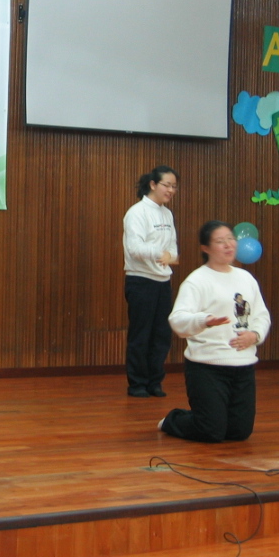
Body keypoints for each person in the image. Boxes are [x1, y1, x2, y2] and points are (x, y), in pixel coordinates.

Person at [158, 221, 270, 443]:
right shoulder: (197, 280)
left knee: (239, 432)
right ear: (206, 248)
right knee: (211, 431)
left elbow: (261, 315)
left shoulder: (246, 278)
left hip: (243, 366)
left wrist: (255, 335)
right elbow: (177, 320)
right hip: (207, 366)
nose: (228, 245)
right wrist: (204, 320)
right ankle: (173, 419)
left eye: (230, 239)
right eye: (220, 241)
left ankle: (208, 415)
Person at [123, 165, 179, 398]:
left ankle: (155, 382)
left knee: (161, 335)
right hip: (141, 281)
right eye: (167, 185)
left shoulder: (167, 214)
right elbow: (134, 248)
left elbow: (174, 251)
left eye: (174, 186)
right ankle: (137, 384)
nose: (171, 190)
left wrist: (170, 256)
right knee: (141, 335)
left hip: (163, 281)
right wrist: (161, 253)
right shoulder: (137, 212)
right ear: (153, 185)